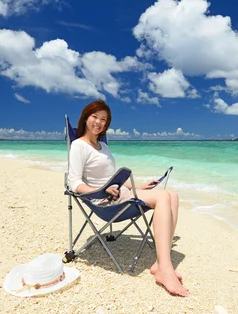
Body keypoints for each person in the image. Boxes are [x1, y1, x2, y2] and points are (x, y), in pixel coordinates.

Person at [67, 100, 188, 297]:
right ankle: (165, 269)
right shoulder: (78, 146)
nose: (98, 122)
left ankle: (160, 262)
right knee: (164, 197)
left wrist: (138, 186)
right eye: (94, 117)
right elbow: (74, 182)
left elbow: (112, 178)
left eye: (103, 120)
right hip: (103, 201)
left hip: (119, 194)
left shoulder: (103, 147)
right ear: (85, 118)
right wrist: (101, 190)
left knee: (172, 194)